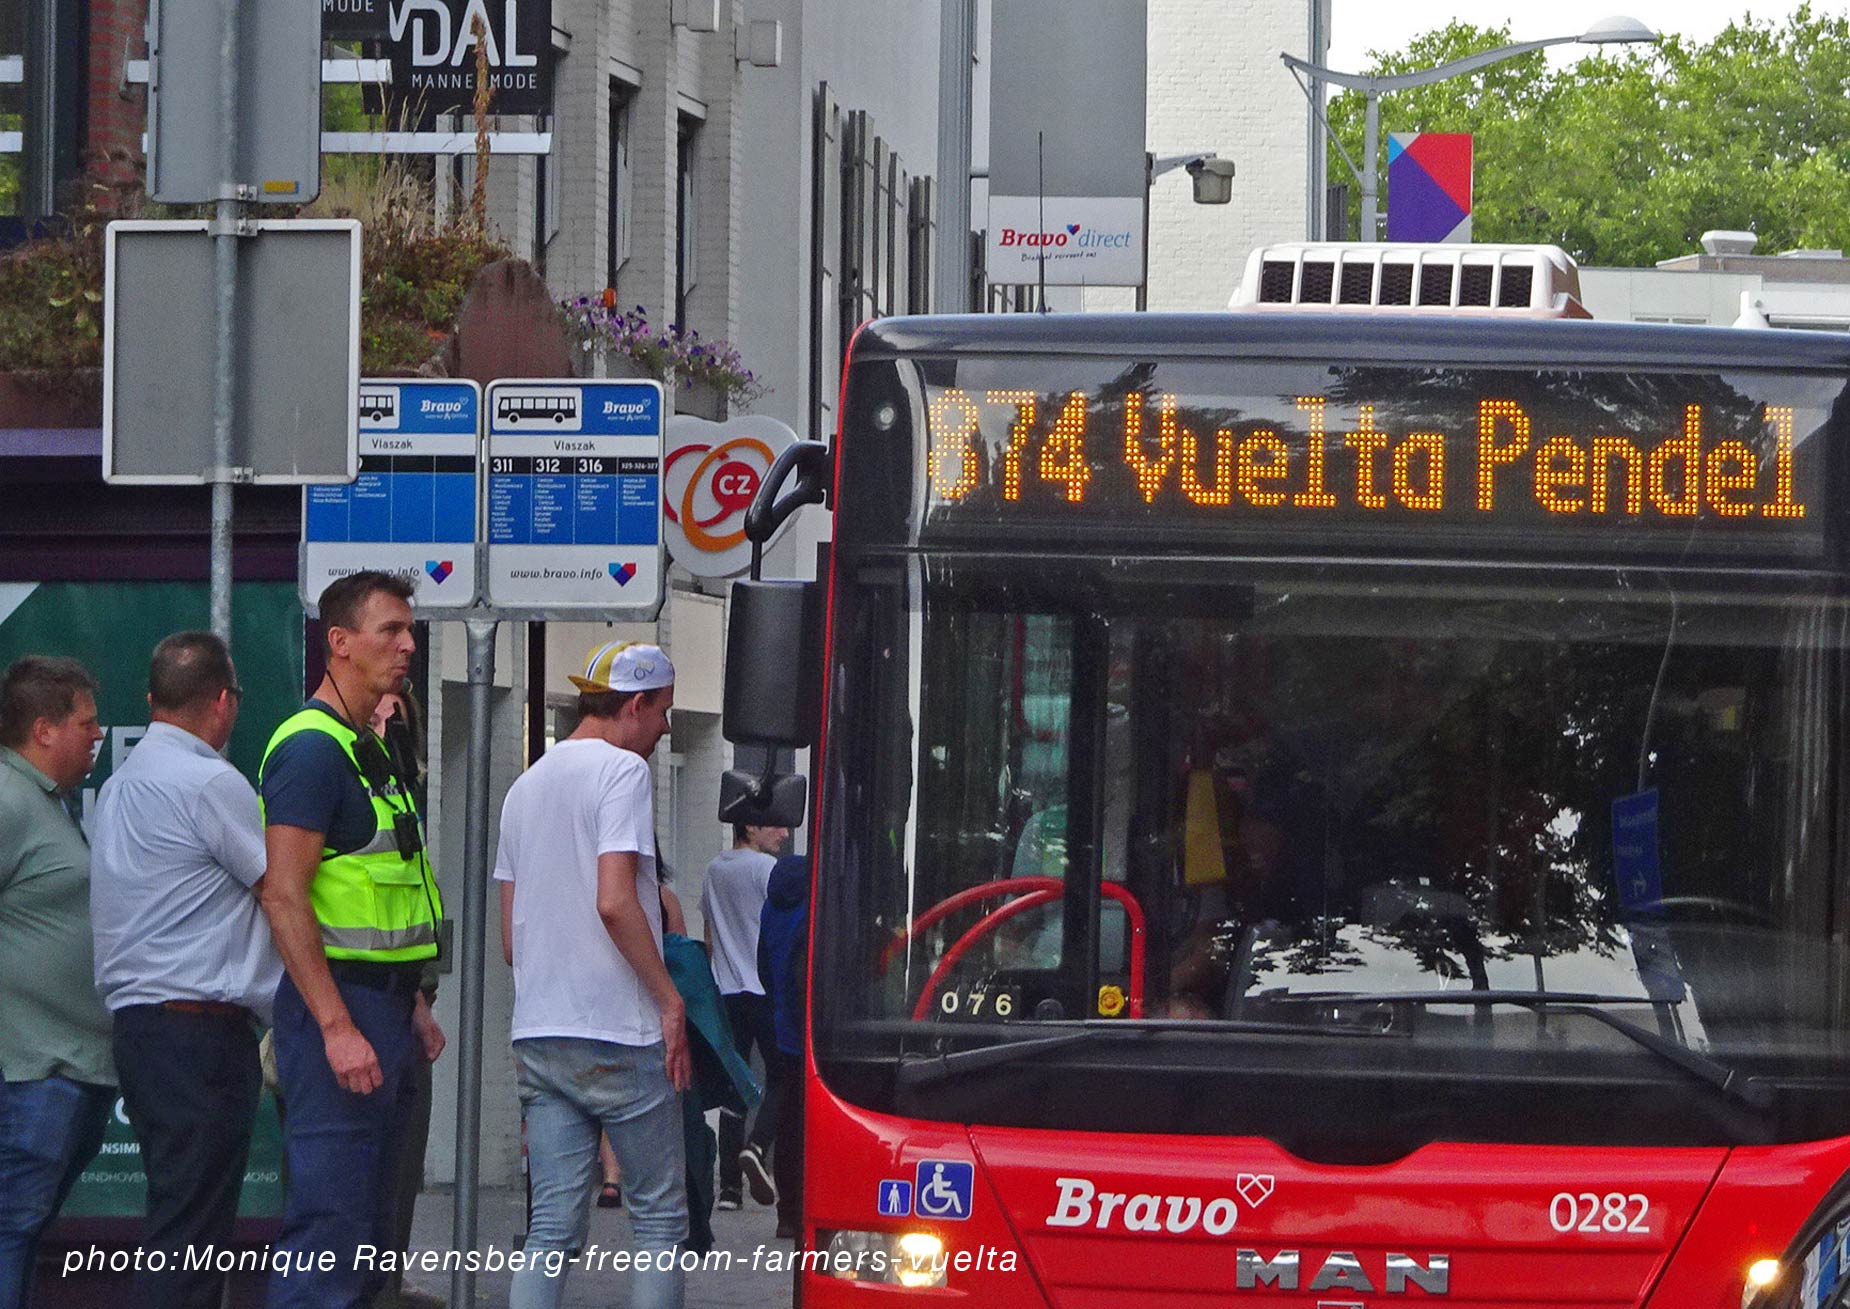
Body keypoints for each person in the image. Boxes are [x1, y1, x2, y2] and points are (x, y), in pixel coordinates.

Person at [257, 572, 447, 1309]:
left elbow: (387, 889)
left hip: (384, 1009)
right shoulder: (312, 748)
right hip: (339, 1010)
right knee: (332, 1227)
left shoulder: (367, 745)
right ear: (338, 642)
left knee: (370, 1230)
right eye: (389, 630)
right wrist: (337, 1027)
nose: (407, 645)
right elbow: (284, 894)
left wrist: (413, 1004)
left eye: (410, 631)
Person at [496, 641, 690, 1309]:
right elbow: (615, 900)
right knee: (658, 1220)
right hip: (618, 1031)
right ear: (634, 705)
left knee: (551, 1227)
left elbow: (510, 941)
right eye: (663, 712)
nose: (665, 729)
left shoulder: (525, 787)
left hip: (539, 1033)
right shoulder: (622, 772)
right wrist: (669, 1001)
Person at [90, 632, 279, 1309]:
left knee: (179, 1216)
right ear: (223, 702)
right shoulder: (209, 782)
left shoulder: (121, 785)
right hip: (199, 1032)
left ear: (152, 700)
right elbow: (280, 890)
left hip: (142, 1030)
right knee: (191, 1238)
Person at [0, 656, 112, 1309]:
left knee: (22, 1230)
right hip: (31, 1069)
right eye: (86, 722)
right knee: (10, 1230)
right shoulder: (8, 798)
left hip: (69, 1064)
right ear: (44, 729)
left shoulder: (46, 801)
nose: (97, 734)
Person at [367, 683, 444, 1309]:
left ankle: (387, 1278)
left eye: (396, 719)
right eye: (375, 716)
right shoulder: (349, 783)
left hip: (406, 997)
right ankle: (372, 1285)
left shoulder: (403, 798)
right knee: (365, 1165)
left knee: (403, 1160)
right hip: (371, 998)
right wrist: (415, 1003)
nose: (386, 726)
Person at [699, 822, 787, 1210]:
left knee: (735, 1083)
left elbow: (709, 935)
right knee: (782, 1076)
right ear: (750, 826)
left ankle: (730, 1189)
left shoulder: (713, 870)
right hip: (764, 989)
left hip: (728, 991)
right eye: (776, 825)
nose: (784, 834)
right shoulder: (766, 869)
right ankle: (758, 1146)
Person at [757, 852, 811, 1242]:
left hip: (781, 1027)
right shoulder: (814, 905)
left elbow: (763, 965)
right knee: (810, 1125)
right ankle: (807, 1206)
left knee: (789, 1125)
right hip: (809, 1031)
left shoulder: (771, 907)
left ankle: (786, 1212)